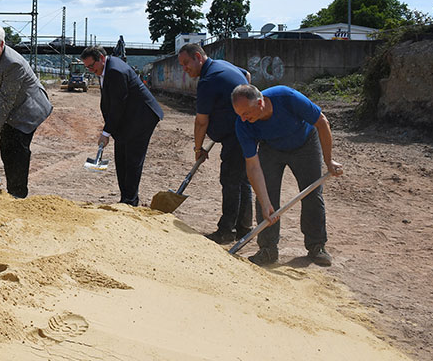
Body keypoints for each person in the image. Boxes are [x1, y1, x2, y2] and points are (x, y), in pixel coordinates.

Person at [231, 84, 344, 267]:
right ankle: (267, 249)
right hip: (271, 148)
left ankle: (316, 245)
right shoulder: (243, 124)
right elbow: (252, 166)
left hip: (305, 144)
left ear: (260, 103)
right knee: (265, 197)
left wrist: (329, 160)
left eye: (246, 113)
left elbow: (322, 122)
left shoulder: (286, 97)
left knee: (312, 195)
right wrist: (266, 202)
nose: (243, 119)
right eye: (239, 115)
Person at [178, 43, 253, 244]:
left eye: (186, 63)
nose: (185, 68)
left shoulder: (209, 80)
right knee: (241, 180)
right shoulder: (222, 65)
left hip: (236, 134)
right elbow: (246, 76)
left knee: (230, 181)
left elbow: (201, 121)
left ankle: (226, 231)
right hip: (245, 130)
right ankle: (244, 227)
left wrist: (198, 148)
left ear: (197, 57)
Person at [81, 45, 163, 206]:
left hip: (141, 117)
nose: (90, 70)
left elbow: (117, 106)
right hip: (129, 116)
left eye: (92, 66)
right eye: (87, 67)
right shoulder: (104, 69)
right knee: (121, 155)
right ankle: (125, 198)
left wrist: (106, 132)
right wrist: (110, 131)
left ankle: (130, 202)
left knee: (131, 159)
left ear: (102, 58)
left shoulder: (116, 72)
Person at [0, 23, 52, 198]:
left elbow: (6, 100)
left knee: (17, 150)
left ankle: (18, 195)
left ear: (1, 44)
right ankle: (12, 191)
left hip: (27, 109)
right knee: (6, 149)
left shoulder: (13, 64)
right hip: (9, 109)